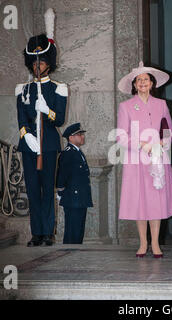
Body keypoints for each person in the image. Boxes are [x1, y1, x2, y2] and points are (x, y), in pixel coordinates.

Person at [116, 61, 172, 258]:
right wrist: (141, 144)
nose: (142, 83)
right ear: (134, 85)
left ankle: (155, 243)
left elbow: (170, 131)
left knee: (155, 202)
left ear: (152, 83)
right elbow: (121, 136)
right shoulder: (126, 106)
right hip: (136, 160)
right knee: (140, 202)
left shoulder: (162, 104)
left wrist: (163, 143)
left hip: (157, 160)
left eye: (146, 79)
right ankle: (143, 243)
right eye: (139, 80)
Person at [15, 9, 68, 247]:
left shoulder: (59, 88)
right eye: (34, 62)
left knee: (48, 190)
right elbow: (21, 121)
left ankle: (48, 231)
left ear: (49, 64)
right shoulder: (22, 89)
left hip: (48, 146)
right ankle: (36, 232)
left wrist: (47, 110)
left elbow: (59, 120)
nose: (37, 66)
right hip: (29, 147)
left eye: (42, 61)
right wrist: (27, 138)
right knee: (33, 190)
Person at [56, 123, 93, 244]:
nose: (82, 137)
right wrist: (60, 192)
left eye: (82, 134)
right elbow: (62, 175)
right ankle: (69, 254)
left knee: (78, 230)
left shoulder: (77, 152)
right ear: (71, 138)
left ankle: (76, 254)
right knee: (72, 230)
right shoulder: (68, 153)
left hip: (80, 198)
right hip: (73, 198)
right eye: (79, 134)